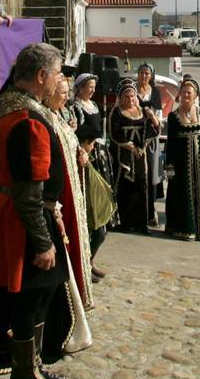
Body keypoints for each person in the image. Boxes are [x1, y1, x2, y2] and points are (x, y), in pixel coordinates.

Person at [0, 42, 77, 379]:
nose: (60, 80)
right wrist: (43, 241)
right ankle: (24, 373)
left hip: (23, 214)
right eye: (58, 73)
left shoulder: (12, 108)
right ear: (42, 76)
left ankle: (34, 363)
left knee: (42, 292)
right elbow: (29, 193)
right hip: (26, 221)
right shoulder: (28, 121)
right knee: (31, 296)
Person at [45, 75, 95, 317]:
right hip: (62, 192)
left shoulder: (61, 116)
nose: (66, 97)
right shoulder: (48, 118)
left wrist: (81, 153)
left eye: (66, 92)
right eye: (62, 93)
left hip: (73, 187)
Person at [163, 80, 200, 241]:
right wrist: (169, 164)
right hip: (181, 161)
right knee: (183, 192)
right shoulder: (173, 116)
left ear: (195, 95)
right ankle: (185, 229)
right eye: (184, 92)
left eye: (189, 92)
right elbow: (171, 142)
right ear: (180, 94)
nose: (186, 95)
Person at [70, 73, 111, 277]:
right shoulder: (75, 108)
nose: (93, 90)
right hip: (86, 158)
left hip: (99, 156)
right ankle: (85, 261)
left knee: (102, 208)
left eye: (94, 86)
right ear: (80, 88)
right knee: (90, 212)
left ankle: (91, 259)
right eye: (89, 87)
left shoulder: (94, 105)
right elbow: (77, 134)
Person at [108, 79, 158, 233]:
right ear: (121, 98)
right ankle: (126, 222)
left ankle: (141, 223)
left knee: (141, 188)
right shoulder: (116, 112)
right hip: (124, 157)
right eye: (126, 97)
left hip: (140, 157)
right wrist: (130, 147)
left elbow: (153, 130)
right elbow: (114, 134)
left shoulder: (143, 112)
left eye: (132, 96)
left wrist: (152, 116)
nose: (130, 100)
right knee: (125, 188)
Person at [135, 63, 165, 206]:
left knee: (151, 172)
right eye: (141, 73)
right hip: (135, 138)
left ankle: (150, 209)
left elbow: (159, 118)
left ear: (151, 76)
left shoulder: (155, 92)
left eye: (147, 73)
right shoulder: (132, 91)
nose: (144, 76)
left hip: (150, 138)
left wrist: (152, 116)